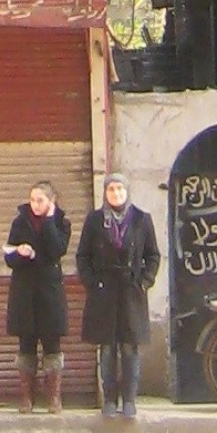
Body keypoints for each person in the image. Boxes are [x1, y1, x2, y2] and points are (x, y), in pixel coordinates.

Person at [76, 172, 160, 419]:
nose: (116, 194)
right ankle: (110, 400)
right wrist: (92, 283)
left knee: (130, 348)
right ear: (105, 193)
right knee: (107, 348)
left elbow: (153, 255)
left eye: (120, 189)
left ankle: (129, 400)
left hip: (131, 291)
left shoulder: (141, 219)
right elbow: (83, 256)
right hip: (104, 291)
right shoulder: (94, 220)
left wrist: (144, 282)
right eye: (111, 189)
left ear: (127, 191)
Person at [3, 180, 71, 414]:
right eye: (32, 200)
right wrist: (20, 253)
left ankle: (53, 397)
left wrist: (49, 220)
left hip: (50, 292)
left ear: (51, 202)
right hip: (24, 292)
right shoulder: (19, 222)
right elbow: (9, 257)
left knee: (52, 345)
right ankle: (26, 397)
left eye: (40, 200)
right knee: (26, 345)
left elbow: (57, 249)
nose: (35, 204)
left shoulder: (61, 223)